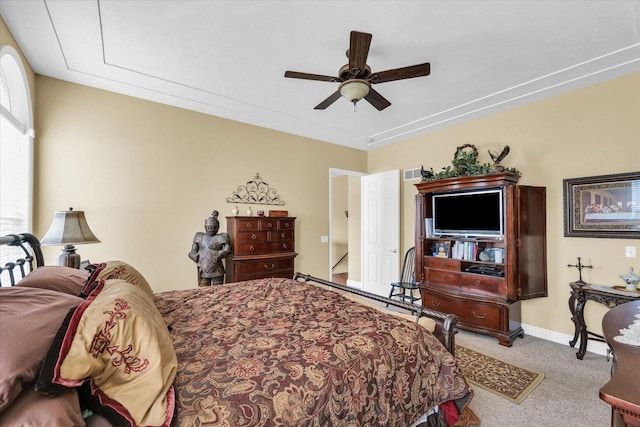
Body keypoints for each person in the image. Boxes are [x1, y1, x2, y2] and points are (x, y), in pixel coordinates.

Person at [188, 211, 231, 286]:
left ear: (217, 227)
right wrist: (194, 256)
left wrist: (220, 253)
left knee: (218, 291)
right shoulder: (199, 236)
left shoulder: (222, 236)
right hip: (204, 268)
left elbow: (227, 249)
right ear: (205, 226)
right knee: (204, 291)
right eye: (208, 227)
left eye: (214, 227)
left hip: (217, 269)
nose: (211, 229)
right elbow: (193, 251)